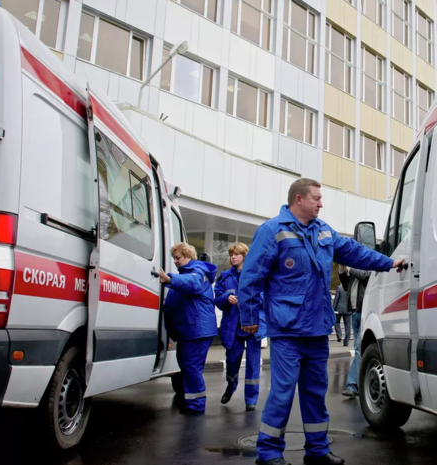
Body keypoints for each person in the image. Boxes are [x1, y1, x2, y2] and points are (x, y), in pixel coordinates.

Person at [238, 178, 404, 465]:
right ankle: (268, 453)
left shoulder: (323, 230)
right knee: (282, 393)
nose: (321, 203)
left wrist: (389, 262)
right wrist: (250, 317)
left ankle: (317, 450)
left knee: (316, 392)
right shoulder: (272, 231)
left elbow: (355, 252)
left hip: (316, 329)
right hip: (287, 331)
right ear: (298, 199)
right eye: (316, 198)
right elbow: (252, 277)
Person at [159, 243, 219, 415]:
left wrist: (170, 280)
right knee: (188, 366)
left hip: (196, 330)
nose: (175, 261)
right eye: (174, 258)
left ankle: (196, 405)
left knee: (191, 367)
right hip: (190, 330)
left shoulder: (197, 271)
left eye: (178, 258)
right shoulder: (188, 272)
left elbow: (192, 283)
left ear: (188, 256)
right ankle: (192, 402)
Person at [214, 242, 267, 411]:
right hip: (233, 327)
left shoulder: (255, 275)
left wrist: (249, 299)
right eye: (231, 254)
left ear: (245, 256)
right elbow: (217, 300)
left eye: (236, 254)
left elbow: (265, 299)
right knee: (232, 361)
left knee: (253, 365)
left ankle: (251, 399)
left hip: (253, 326)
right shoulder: (224, 277)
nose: (233, 257)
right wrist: (226, 298)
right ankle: (231, 386)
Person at [341, 266, 371, 398]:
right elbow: (347, 287)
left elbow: (366, 275)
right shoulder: (354, 269)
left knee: (359, 349)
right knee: (360, 349)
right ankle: (363, 383)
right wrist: (342, 271)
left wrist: (349, 267)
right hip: (354, 312)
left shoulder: (366, 264)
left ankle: (352, 386)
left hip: (365, 311)